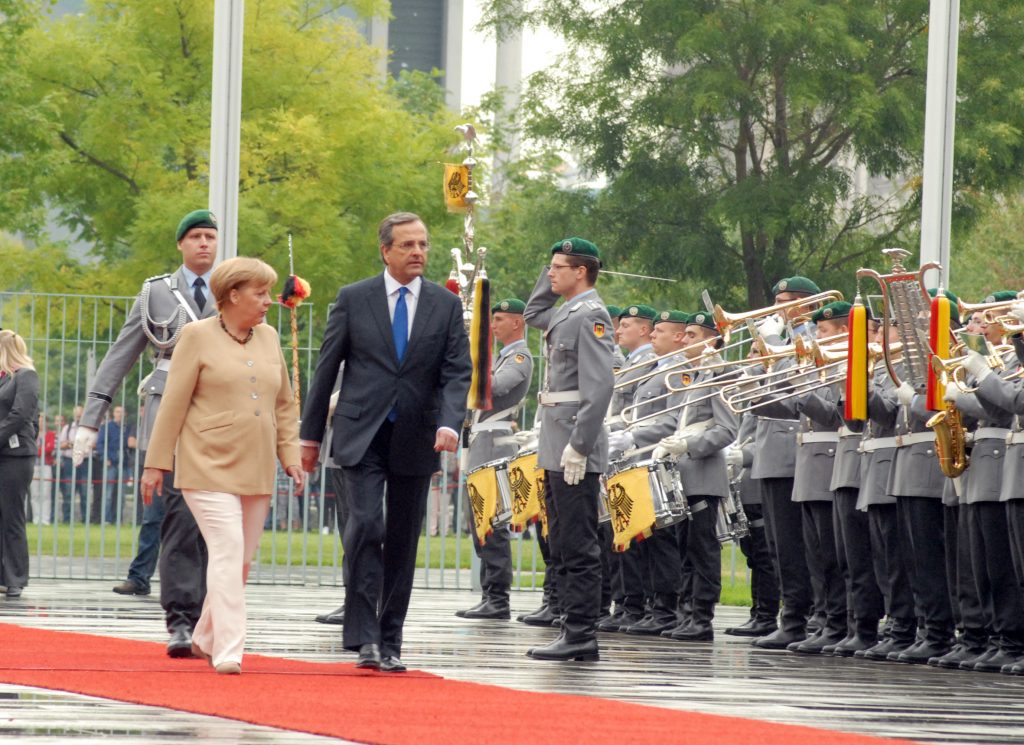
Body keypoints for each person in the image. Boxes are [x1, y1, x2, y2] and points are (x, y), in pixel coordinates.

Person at [300, 211, 471, 673]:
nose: (419, 253)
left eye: (424, 245)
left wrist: (451, 422)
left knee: (401, 540)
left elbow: (457, 371)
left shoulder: (445, 304)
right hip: (361, 434)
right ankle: (363, 636)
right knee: (366, 527)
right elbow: (326, 368)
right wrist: (309, 436)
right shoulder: (354, 299)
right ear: (386, 251)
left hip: (418, 435)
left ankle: (390, 639)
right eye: (408, 245)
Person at [140, 257, 303, 675]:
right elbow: (172, 403)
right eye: (260, 293)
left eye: (268, 292)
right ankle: (229, 649)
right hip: (205, 464)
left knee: (242, 559)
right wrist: (156, 464)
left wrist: (291, 456)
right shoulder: (195, 336)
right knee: (227, 551)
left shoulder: (269, 338)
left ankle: (205, 637)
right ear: (232, 295)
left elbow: (284, 404)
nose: (269, 301)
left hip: (257, 465)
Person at [74, 208, 216, 657]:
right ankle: (179, 619)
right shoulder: (156, 292)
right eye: (195, 236)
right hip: (167, 407)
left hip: (218, 414)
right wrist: (91, 417)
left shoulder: (233, 286)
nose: (204, 244)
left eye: (211, 237)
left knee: (217, 522)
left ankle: (211, 617)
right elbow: (122, 352)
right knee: (175, 513)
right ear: (180, 244)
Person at [523, 237, 615, 661]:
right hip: (555, 442)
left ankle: (581, 632)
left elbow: (599, 387)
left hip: (574, 444)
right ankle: (570, 626)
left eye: (558, 267)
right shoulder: (566, 313)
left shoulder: (591, 315)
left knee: (578, 542)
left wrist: (580, 445)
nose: (551, 273)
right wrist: (547, 274)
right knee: (559, 538)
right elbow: (533, 313)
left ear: (581, 272)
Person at [456, 297, 533, 620]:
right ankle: (491, 593)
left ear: (517, 323)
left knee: (493, 521)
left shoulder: (518, 356)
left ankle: (498, 597)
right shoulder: (501, 357)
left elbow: (493, 388)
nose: (493, 325)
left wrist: (472, 358)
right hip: (481, 440)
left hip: (495, 443)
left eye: (499, 319)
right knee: (479, 521)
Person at [0, 330, 40, 598]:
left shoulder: (26, 375)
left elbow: (21, 414)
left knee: (12, 516)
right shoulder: (4, 379)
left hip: (15, 457)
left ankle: (15, 578)